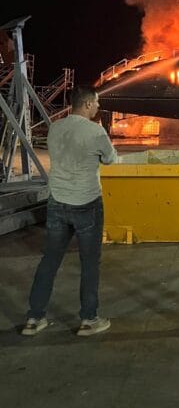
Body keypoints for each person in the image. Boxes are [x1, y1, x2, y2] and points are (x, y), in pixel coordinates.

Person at [21, 86, 117, 337]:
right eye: (96, 103)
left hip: (56, 202)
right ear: (86, 104)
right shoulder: (95, 131)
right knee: (89, 263)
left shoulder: (56, 127)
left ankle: (34, 318)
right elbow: (110, 159)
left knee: (50, 260)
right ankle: (88, 319)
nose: (98, 107)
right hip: (86, 203)